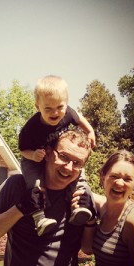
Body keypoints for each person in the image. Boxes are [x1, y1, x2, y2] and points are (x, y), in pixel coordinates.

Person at [0, 130, 96, 266]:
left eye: (77, 163)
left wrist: (91, 218)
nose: (68, 167)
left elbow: (88, 248)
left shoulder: (81, 197)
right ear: (47, 153)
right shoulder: (17, 185)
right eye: (64, 157)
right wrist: (21, 208)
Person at [19, 75, 96, 235]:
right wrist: (33, 155)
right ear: (37, 106)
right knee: (35, 186)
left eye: (59, 107)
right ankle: (39, 218)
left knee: (80, 176)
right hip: (33, 158)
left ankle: (79, 208)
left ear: (66, 105)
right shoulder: (31, 128)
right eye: (48, 109)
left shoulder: (68, 114)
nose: (55, 113)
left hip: (55, 156)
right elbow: (22, 150)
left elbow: (80, 118)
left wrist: (90, 131)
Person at [79, 150, 134, 266]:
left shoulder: (133, 221)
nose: (119, 183)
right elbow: (87, 249)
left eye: (127, 179)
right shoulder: (103, 206)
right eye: (114, 176)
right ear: (103, 176)